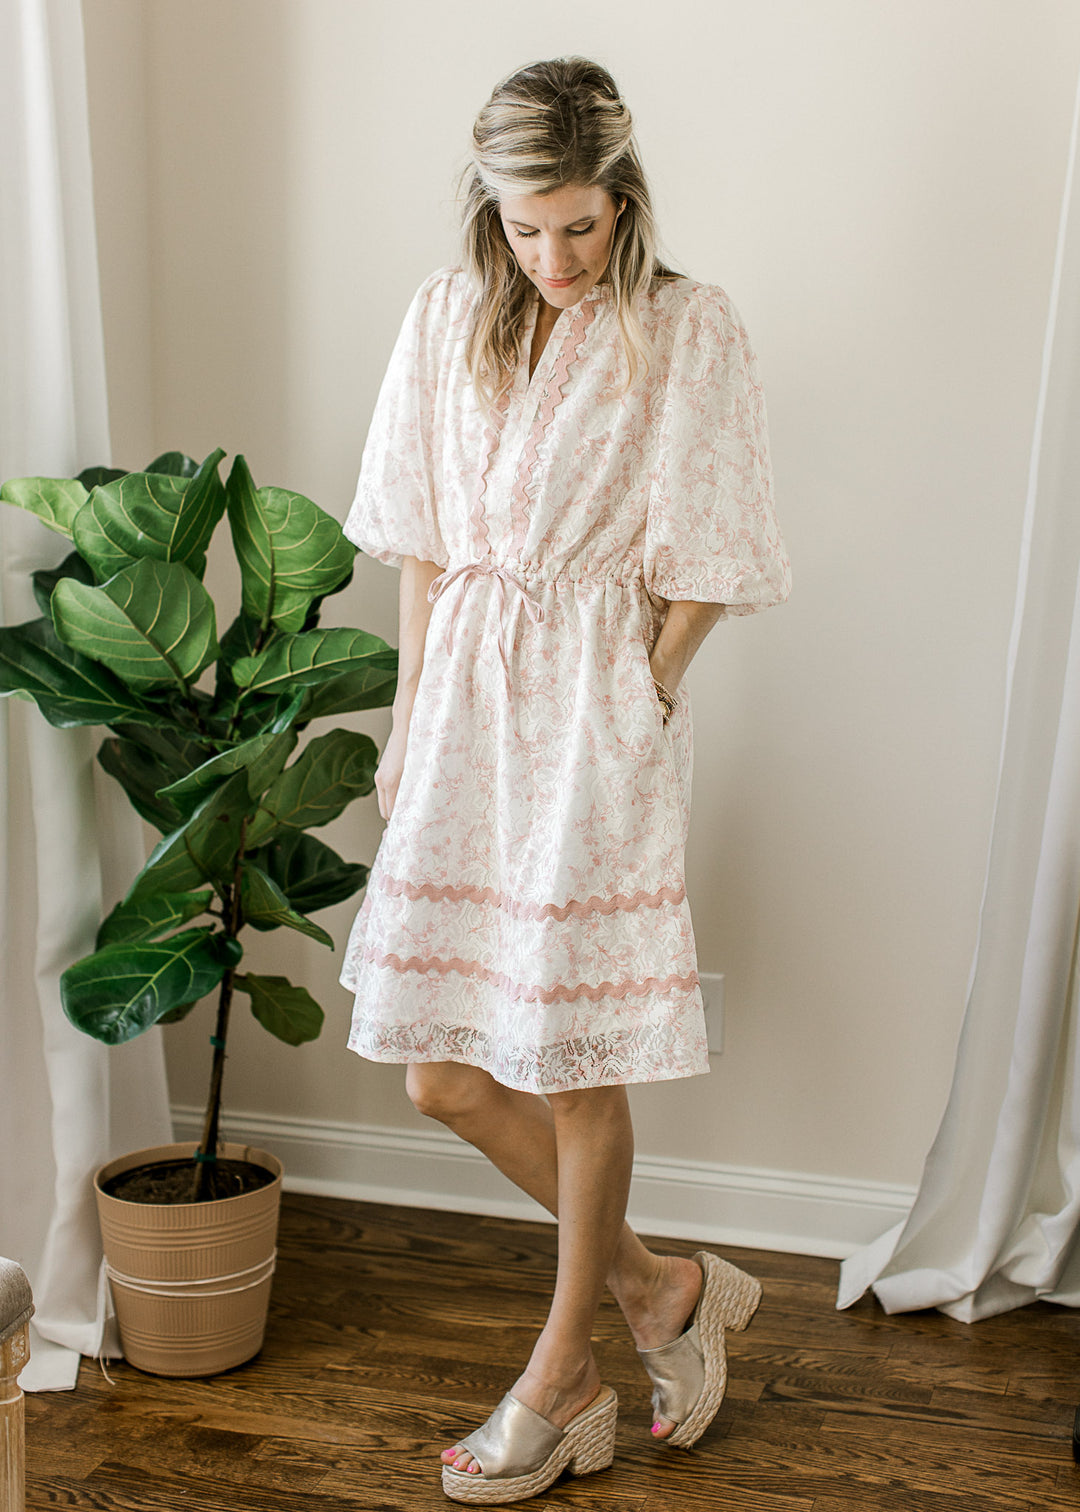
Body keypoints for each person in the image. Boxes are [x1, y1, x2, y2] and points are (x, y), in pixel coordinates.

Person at [339, 56, 791, 1505]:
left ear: (625, 196)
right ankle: (662, 1291)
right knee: (443, 1071)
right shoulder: (446, 315)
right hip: (465, 703)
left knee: (574, 1060)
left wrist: (643, 691)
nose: (555, 257)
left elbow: (714, 549)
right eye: (527, 228)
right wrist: (413, 718)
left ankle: (562, 1373)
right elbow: (416, 534)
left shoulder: (684, 329)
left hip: (597, 710)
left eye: (580, 227)